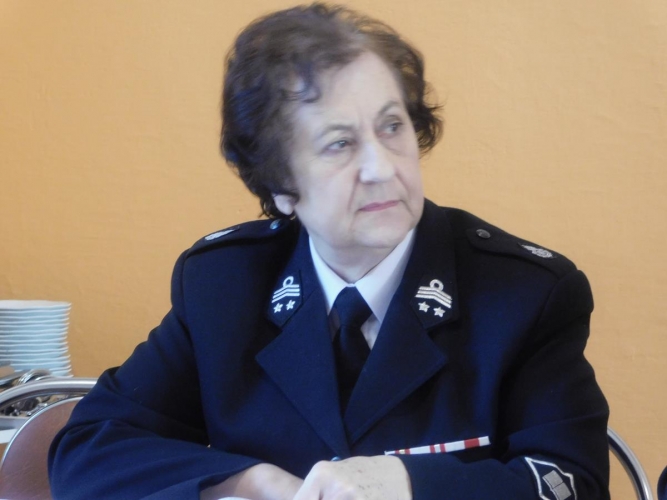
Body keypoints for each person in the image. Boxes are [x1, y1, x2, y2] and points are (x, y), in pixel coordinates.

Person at [48, 3, 610, 499]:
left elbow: (573, 482)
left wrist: (411, 486)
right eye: (339, 144)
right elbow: (90, 449)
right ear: (280, 185)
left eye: (392, 127)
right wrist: (251, 482)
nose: (381, 167)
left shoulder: (524, 294)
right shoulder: (223, 285)